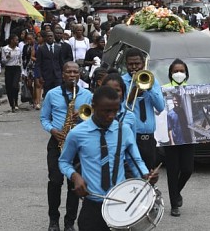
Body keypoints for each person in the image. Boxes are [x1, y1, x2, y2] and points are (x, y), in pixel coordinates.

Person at [58, 85, 158, 231]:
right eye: (106, 111)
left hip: (121, 204)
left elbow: (135, 160)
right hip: (92, 205)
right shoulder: (77, 133)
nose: (111, 116)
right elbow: (64, 162)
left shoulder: (124, 130)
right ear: (93, 106)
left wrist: (146, 175)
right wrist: (75, 176)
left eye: (115, 110)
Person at [40, 62, 93, 231]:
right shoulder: (52, 94)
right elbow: (44, 118)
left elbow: (94, 118)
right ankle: (53, 220)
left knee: (74, 185)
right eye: (68, 72)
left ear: (79, 75)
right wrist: (53, 130)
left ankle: (69, 223)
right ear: (62, 75)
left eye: (75, 72)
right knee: (55, 182)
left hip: (78, 145)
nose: (72, 75)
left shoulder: (87, 95)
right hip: (57, 142)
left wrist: (83, 119)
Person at [122, 48, 165, 170]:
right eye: (130, 64)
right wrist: (132, 93)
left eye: (137, 64)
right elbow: (119, 110)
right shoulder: (122, 82)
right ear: (126, 65)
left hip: (149, 139)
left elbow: (160, 107)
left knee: (148, 175)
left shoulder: (151, 80)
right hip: (131, 137)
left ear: (143, 64)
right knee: (131, 175)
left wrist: (149, 87)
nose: (134, 67)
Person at [162, 59, 194, 217]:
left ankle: (176, 192)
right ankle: (174, 204)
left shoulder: (193, 90)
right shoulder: (164, 90)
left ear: (186, 73)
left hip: (188, 137)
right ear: (170, 73)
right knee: (172, 171)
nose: (179, 74)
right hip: (171, 140)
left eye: (181, 71)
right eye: (175, 71)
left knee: (188, 169)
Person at [35, 31, 64, 97]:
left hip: (57, 75)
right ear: (45, 38)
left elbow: (61, 62)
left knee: (58, 93)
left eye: (51, 36)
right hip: (46, 76)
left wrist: (62, 73)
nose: (50, 37)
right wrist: (40, 76)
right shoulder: (41, 48)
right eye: (48, 36)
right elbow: (38, 64)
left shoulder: (58, 48)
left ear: (54, 37)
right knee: (48, 94)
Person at [1, 34, 23, 113]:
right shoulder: (5, 49)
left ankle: (16, 101)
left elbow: (20, 60)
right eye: (16, 40)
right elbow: (3, 61)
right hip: (9, 69)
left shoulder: (18, 49)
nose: (17, 42)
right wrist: (7, 57)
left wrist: (22, 71)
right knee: (9, 87)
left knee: (15, 86)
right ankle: (12, 104)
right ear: (11, 40)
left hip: (16, 68)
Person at [22, 32, 36, 107]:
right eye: (27, 39)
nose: (29, 41)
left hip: (36, 66)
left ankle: (36, 100)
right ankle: (32, 97)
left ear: (34, 38)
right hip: (28, 67)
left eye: (30, 39)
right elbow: (23, 57)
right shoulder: (25, 47)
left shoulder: (37, 46)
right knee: (29, 84)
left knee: (36, 84)